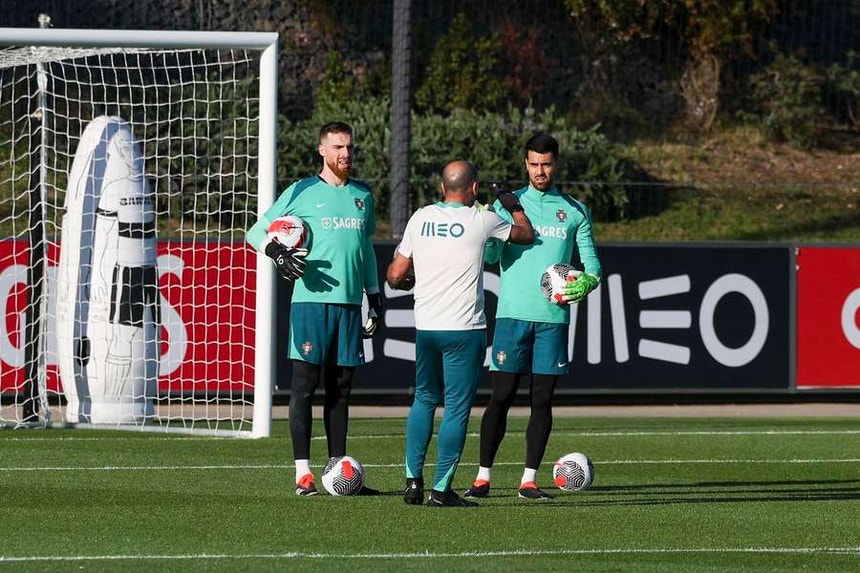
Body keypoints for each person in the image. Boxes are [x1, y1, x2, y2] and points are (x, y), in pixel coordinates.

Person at [387, 160, 535, 507]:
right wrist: (514, 205)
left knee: (424, 399)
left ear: (442, 188)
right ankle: (441, 490)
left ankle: (413, 482)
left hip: (427, 327)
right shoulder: (481, 219)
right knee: (455, 408)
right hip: (465, 329)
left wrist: (416, 278)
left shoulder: (421, 217)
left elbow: (395, 276)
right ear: (474, 189)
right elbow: (525, 235)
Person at [246, 121, 383, 497]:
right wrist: (276, 251)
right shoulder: (302, 191)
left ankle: (339, 469)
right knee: (305, 386)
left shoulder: (363, 195)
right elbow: (255, 232)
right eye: (338, 147)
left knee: (341, 388)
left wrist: (374, 294)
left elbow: (366, 248)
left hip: (349, 303)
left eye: (350, 147)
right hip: (310, 303)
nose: (346, 154)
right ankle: (303, 475)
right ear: (322, 150)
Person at [464, 133, 602, 500]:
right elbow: (491, 258)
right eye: (534, 164)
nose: (540, 171)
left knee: (542, 399)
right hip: (511, 316)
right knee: (501, 396)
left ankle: (528, 480)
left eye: (546, 164)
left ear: (557, 163)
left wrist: (587, 280)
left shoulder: (574, 210)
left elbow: (592, 264)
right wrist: (490, 233)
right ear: (525, 164)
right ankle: (482, 478)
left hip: (552, 319)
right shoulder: (508, 203)